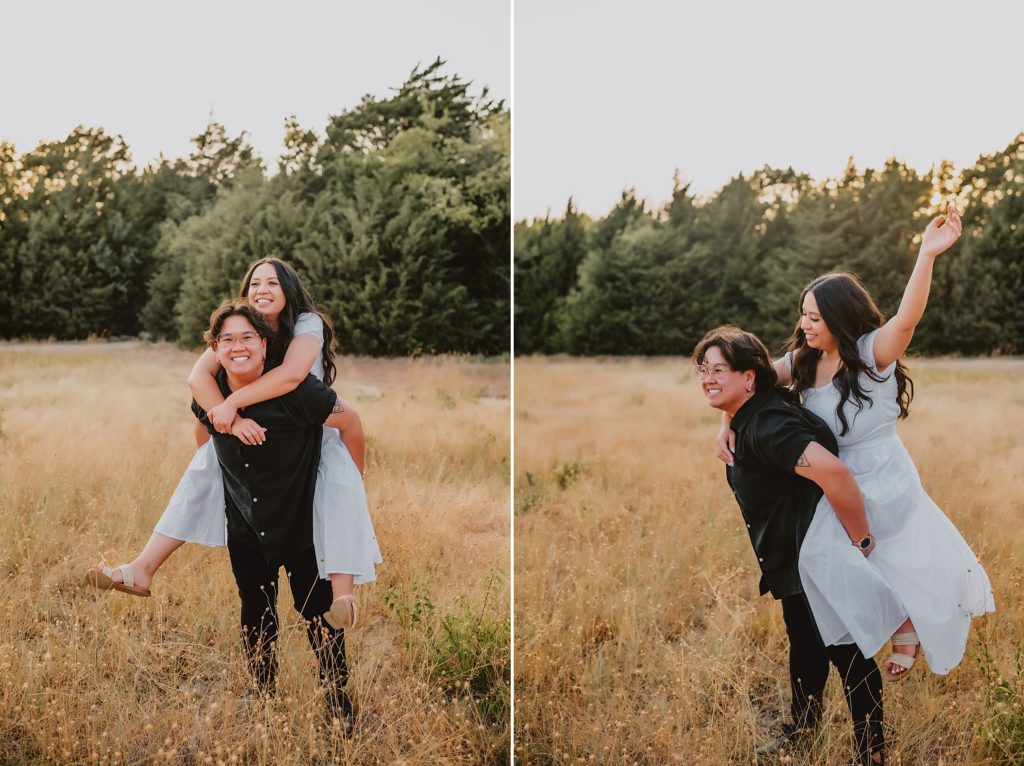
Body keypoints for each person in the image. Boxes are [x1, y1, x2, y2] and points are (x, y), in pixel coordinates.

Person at [715, 205, 994, 683]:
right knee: (821, 559)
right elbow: (752, 383)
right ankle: (891, 624)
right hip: (834, 479)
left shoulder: (870, 354)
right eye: (803, 315)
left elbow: (906, 320)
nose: (806, 325)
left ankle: (905, 625)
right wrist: (727, 422)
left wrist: (926, 254)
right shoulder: (802, 360)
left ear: (841, 318)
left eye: (816, 317)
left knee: (879, 555)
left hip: (881, 476)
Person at [86, 257, 381, 632]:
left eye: (273, 283)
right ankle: (143, 568)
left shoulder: (306, 323)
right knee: (205, 466)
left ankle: (344, 596)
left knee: (336, 492)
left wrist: (232, 404)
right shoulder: (239, 327)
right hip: (249, 431)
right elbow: (198, 376)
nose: (262, 290)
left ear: (289, 291)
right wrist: (228, 421)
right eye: (254, 283)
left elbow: (292, 376)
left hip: (310, 430)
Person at [694, 326, 884, 765]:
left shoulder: (768, 425)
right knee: (806, 645)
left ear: (749, 377)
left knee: (846, 653)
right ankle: (802, 735)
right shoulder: (753, 412)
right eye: (704, 370)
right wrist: (726, 419)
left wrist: (861, 541)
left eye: (719, 369)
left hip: (815, 556)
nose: (708, 378)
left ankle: (870, 753)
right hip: (795, 560)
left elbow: (833, 472)